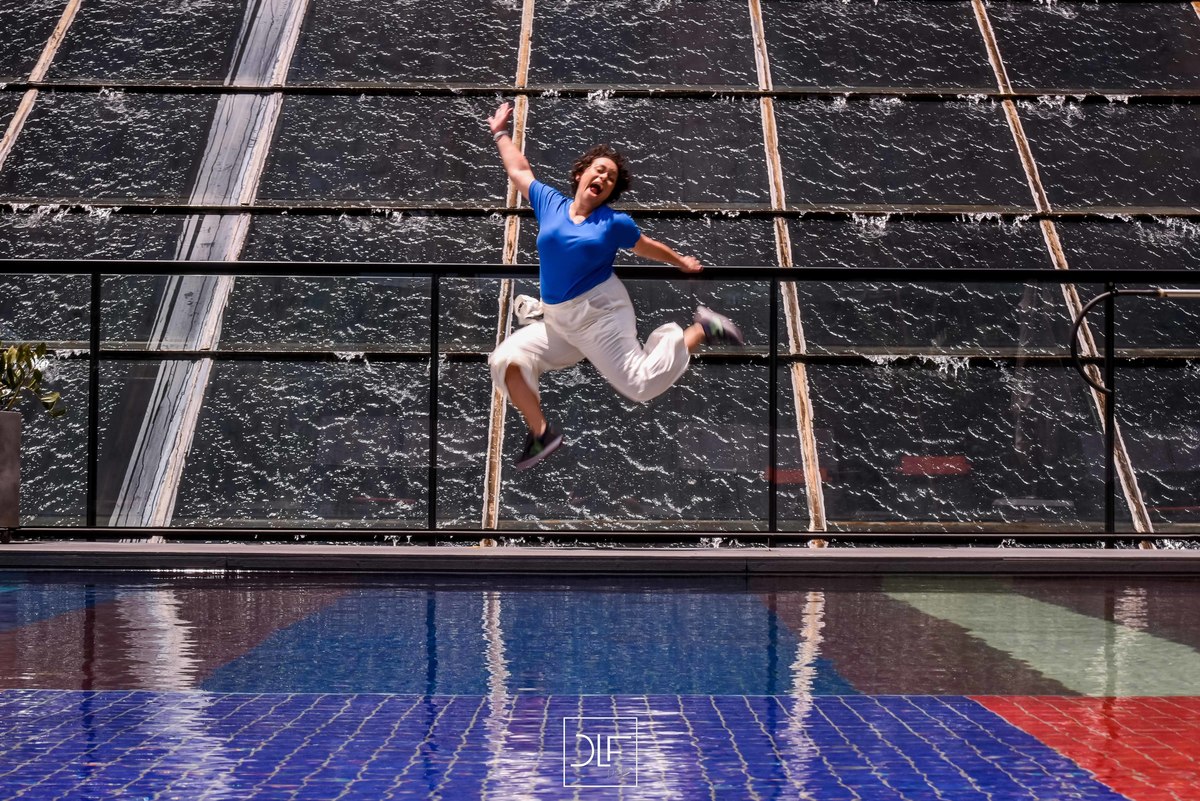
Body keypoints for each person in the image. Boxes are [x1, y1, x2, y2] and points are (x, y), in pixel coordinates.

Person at [486, 101, 744, 470]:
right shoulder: (550, 203)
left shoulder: (613, 223)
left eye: (610, 179)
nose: (604, 179)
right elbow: (519, 170)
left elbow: (646, 246)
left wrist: (680, 261)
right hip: (559, 322)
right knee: (506, 360)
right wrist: (500, 133)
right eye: (600, 170)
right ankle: (542, 434)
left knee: (640, 385)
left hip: (600, 315)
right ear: (581, 174)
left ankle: (702, 328)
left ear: (609, 192)